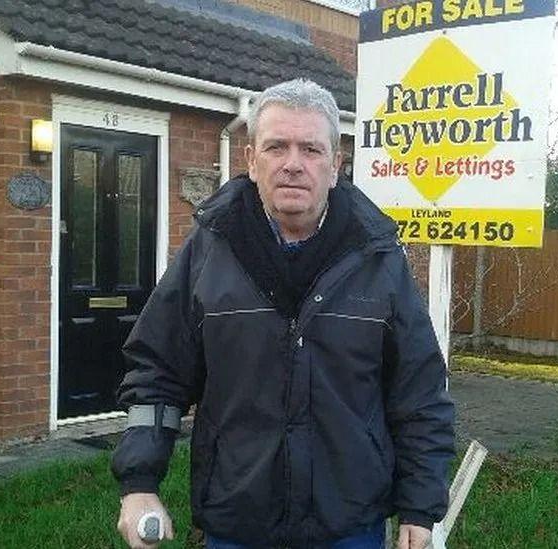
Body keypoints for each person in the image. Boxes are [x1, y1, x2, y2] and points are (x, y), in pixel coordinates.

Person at [111, 78, 455, 549]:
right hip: (238, 519)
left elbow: (418, 393)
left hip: (349, 522)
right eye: (277, 147)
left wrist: (420, 506)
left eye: (311, 149)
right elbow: (158, 373)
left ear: (336, 166)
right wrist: (139, 485)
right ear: (251, 160)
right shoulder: (209, 253)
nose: (293, 164)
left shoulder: (379, 260)